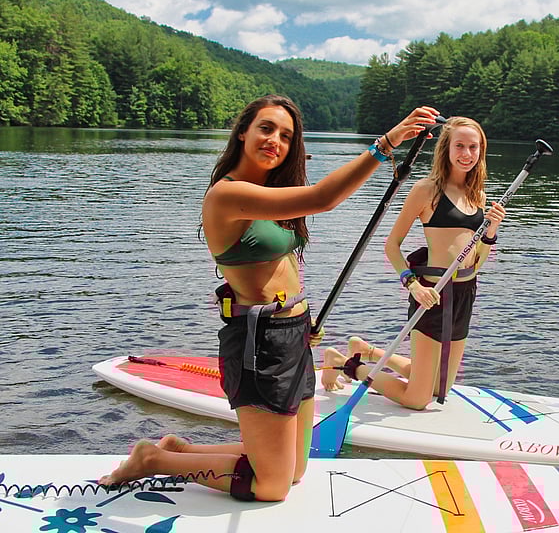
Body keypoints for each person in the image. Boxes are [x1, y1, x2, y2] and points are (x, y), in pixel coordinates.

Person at [99, 95, 440, 501]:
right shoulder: (226, 195)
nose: (275, 140)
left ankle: (180, 451)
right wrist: (386, 144)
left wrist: (302, 318)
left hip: (294, 331)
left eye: (286, 136)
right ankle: (152, 459)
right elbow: (323, 199)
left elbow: (283, 266)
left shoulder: (270, 193)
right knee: (273, 486)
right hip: (259, 342)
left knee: (295, 471)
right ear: (243, 132)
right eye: (266, 128)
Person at [320, 116, 505, 410]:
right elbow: (391, 245)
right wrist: (413, 285)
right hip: (432, 294)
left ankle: (366, 350)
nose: (466, 154)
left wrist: (491, 232)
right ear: (446, 148)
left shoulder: (478, 196)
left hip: (464, 295)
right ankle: (343, 363)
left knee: (440, 387)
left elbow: (476, 262)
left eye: (473, 147)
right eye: (459, 146)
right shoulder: (426, 190)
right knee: (418, 399)